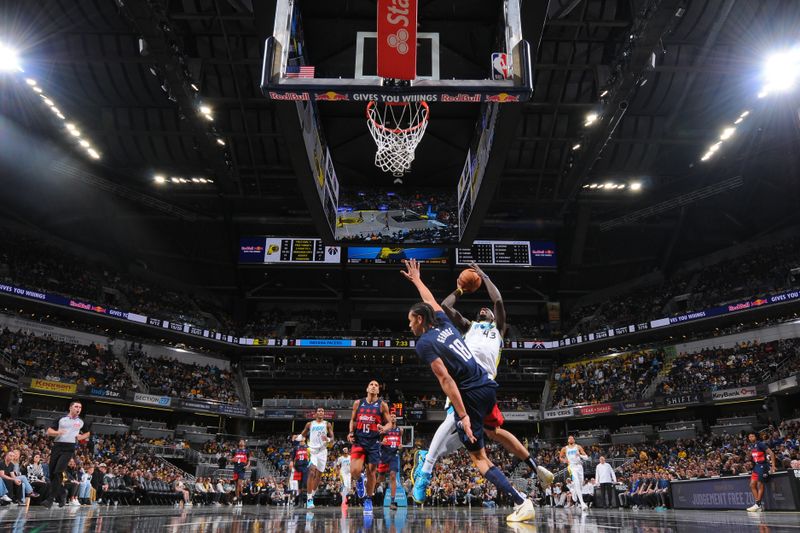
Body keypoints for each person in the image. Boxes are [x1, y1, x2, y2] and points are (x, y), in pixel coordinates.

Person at [400, 259, 535, 523]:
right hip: (486, 387)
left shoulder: (426, 341)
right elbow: (436, 304)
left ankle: (426, 471)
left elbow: (445, 380)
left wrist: (462, 413)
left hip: (468, 391)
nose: (409, 326)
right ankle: (429, 458)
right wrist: (417, 280)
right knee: (471, 436)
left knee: (478, 456)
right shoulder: (448, 325)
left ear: (419, 319)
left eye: (410, 321)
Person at [348, 380, 390, 514]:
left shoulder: (382, 405)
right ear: (367, 388)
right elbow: (353, 420)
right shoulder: (358, 403)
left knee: (372, 471)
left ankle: (368, 499)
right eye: (371, 384)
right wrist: (350, 433)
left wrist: (384, 428)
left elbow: (389, 423)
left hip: (374, 442)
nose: (373, 386)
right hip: (359, 440)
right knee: (355, 471)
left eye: (376, 385)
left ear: (378, 390)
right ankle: (360, 480)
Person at [46, 400, 90, 507]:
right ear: (70, 408)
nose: (78, 409)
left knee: (58, 471)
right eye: (76, 406)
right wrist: (58, 432)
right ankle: (62, 493)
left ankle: (50, 500)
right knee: (52, 473)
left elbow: (88, 432)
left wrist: (81, 437)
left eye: (80, 407)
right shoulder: (61, 419)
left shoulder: (81, 421)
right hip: (57, 446)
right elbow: (49, 431)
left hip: (69, 448)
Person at [301, 407, 334, 509]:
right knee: (312, 472)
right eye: (319, 411)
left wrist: (328, 439)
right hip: (312, 450)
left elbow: (332, 439)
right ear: (315, 414)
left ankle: (312, 494)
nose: (321, 412)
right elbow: (302, 435)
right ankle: (309, 498)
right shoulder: (310, 424)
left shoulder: (327, 424)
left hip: (323, 451)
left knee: (319, 475)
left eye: (322, 411)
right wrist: (297, 438)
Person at [377, 413, 403, 509]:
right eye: (391, 416)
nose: (393, 417)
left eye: (394, 416)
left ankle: (392, 502)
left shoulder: (400, 430)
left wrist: (400, 447)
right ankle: (371, 494)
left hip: (394, 455)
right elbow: (376, 442)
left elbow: (400, 443)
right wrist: (381, 443)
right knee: (380, 479)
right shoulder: (384, 429)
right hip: (384, 455)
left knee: (393, 475)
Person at [747, 432, 776, 512]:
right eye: (749, 436)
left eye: (752, 436)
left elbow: (771, 453)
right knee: (752, 485)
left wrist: (773, 465)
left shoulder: (761, 444)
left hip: (763, 466)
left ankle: (758, 504)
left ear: (756, 437)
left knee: (760, 484)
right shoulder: (752, 446)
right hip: (756, 466)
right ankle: (758, 504)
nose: (750, 438)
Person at [560, 435, 589, 511]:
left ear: (574, 440)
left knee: (580, 485)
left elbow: (586, 457)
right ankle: (582, 503)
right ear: (568, 440)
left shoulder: (578, 447)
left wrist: (580, 455)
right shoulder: (565, 448)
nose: (571, 439)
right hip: (571, 467)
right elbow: (560, 457)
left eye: (572, 438)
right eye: (569, 438)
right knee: (576, 482)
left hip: (579, 466)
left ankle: (575, 492)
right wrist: (564, 461)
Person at [289, 436, 310, 506]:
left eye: (303, 437)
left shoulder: (308, 447)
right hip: (297, 467)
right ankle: (300, 502)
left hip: (305, 467)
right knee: (299, 485)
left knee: (305, 484)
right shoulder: (296, 447)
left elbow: (312, 456)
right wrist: (291, 462)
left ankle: (307, 501)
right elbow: (292, 456)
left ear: (305, 439)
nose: (302, 438)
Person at [231, 439, 250, 506]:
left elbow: (249, 460)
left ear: (244, 443)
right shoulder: (235, 450)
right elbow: (231, 459)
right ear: (239, 443)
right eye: (240, 441)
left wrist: (247, 465)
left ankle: (239, 498)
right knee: (236, 485)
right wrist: (233, 459)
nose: (241, 442)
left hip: (242, 469)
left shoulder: (247, 451)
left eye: (242, 441)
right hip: (236, 468)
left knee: (239, 483)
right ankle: (237, 498)